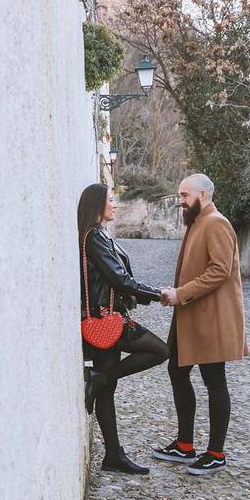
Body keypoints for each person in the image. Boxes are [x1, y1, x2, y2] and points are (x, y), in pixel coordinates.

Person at [154, 174, 248, 476]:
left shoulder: (216, 222)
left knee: (214, 380)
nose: (181, 201)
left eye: (185, 195)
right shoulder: (197, 221)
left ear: (203, 195)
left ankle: (216, 453)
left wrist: (180, 294)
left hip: (210, 318)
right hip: (190, 315)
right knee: (176, 370)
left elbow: (220, 270)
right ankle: (184, 445)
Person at [78, 183, 169, 475]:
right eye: (111, 200)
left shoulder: (101, 235)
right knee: (160, 350)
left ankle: (113, 455)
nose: (115, 204)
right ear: (97, 205)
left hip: (110, 317)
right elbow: (119, 279)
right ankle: (98, 377)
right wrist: (156, 294)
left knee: (106, 390)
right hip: (109, 319)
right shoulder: (94, 238)